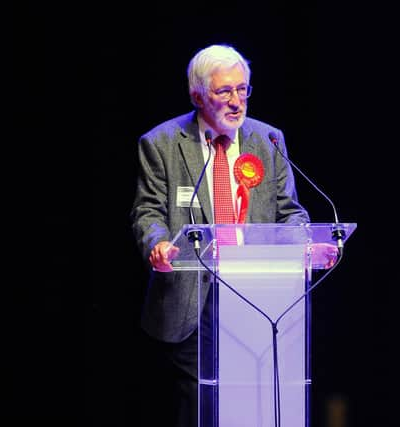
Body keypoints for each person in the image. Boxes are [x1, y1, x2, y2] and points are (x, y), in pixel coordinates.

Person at [130, 43, 337, 427]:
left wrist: (306, 244)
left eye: (243, 89)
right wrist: (156, 244)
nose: (237, 101)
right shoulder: (161, 143)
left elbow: (289, 213)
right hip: (191, 300)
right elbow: (148, 212)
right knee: (202, 406)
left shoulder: (268, 141)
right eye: (224, 91)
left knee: (255, 404)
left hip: (257, 297)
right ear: (197, 95)